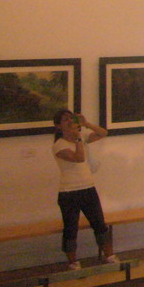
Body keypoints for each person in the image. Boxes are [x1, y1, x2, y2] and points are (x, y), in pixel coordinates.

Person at [52, 110, 117, 270]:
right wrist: (79, 137)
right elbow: (79, 158)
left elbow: (103, 132)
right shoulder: (59, 145)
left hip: (88, 188)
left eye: (71, 119)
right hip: (68, 193)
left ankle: (109, 255)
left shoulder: (81, 139)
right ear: (58, 126)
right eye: (65, 120)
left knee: (99, 224)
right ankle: (73, 262)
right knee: (71, 227)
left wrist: (86, 123)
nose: (69, 122)